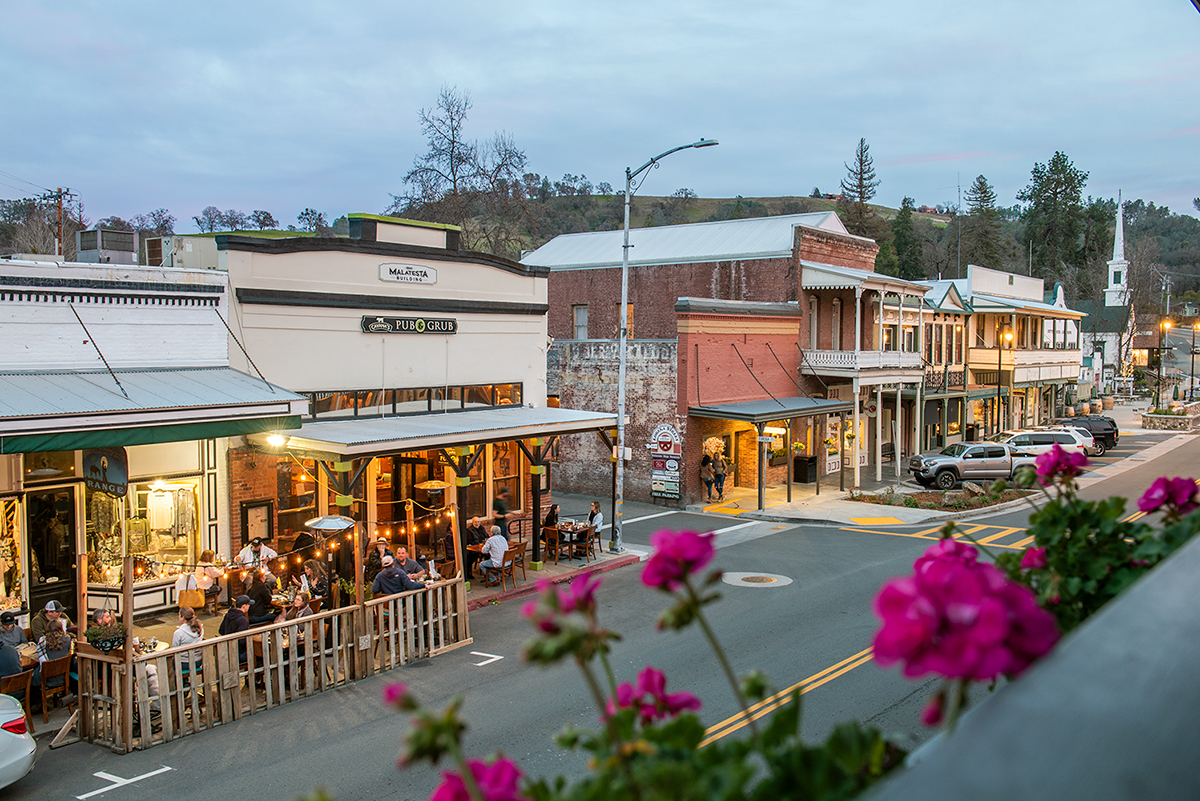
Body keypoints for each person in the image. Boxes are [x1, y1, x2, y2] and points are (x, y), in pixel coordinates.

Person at [33, 625, 73, 695]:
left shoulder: (43, 641)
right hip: (62, 677)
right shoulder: (67, 639)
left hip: (47, 679)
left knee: (29, 676)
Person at [218, 595, 251, 665]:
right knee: (261, 653)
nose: (249, 606)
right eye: (248, 605)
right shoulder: (242, 620)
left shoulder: (228, 614)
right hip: (238, 653)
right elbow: (242, 641)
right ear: (244, 606)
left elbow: (221, 630)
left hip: (228, 651)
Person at [171, 606, 204, 674]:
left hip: (184, 663)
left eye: (179, 615)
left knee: (168, 662)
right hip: (198, 660)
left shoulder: (179, 633)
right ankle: (185, 681)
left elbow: (174, 649)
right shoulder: (200, 628)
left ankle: (179, 682)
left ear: (182, 617)